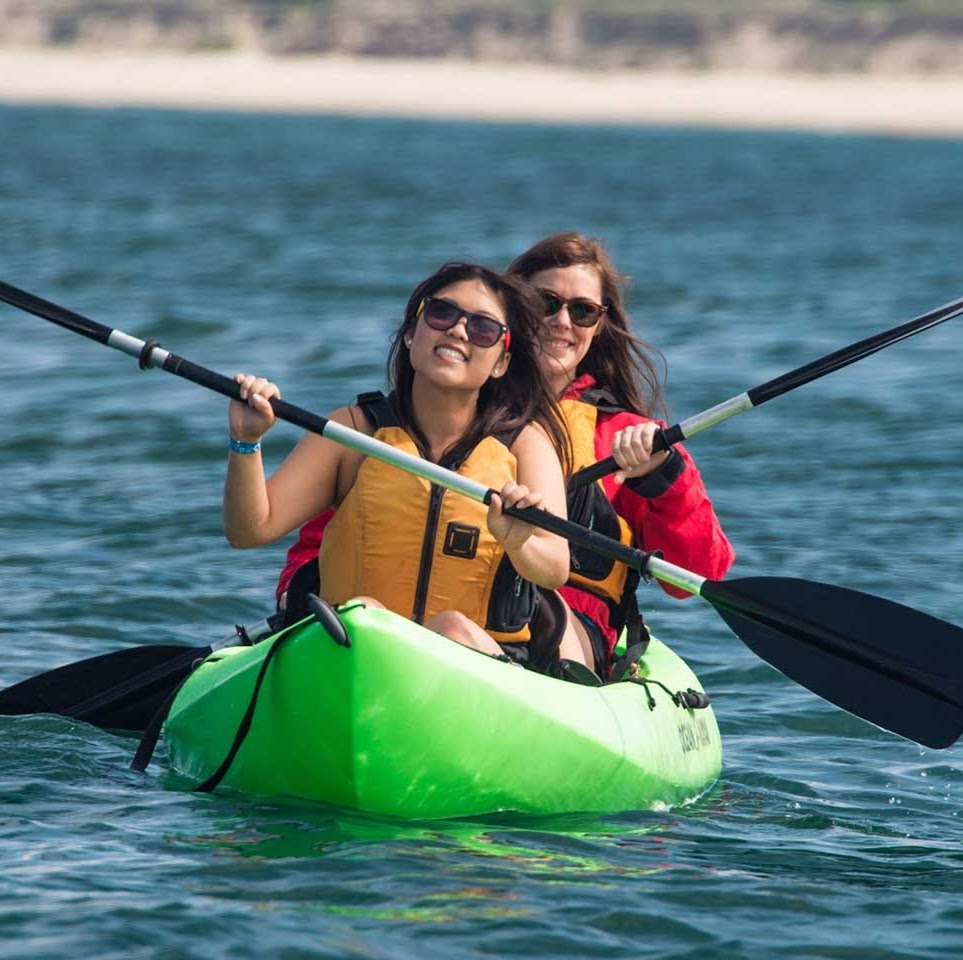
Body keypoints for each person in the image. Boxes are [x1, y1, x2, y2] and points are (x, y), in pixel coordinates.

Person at [276, 234, 735, 678]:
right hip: (401, 621)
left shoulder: (629, 439)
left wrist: (666, 478)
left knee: (530, 617)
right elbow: (329, 538)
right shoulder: (426, 418)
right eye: (545, 303)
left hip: (557, 633)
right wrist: (299, 596)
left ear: (600, 326)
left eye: (583, 312)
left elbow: (693, 577)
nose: (562, 322)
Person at [225, 261, 573, 662]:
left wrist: (519, 541)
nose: (458, 330)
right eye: (442, 313)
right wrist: (246, 441)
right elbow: (249, 530)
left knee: (452, 627)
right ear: (411, 334)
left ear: (500, 363)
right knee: (365, 615)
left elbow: (554, 569)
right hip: (355, 652)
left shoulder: (525, 445)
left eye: (483, 328)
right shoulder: (353, 431)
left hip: (476, 665)